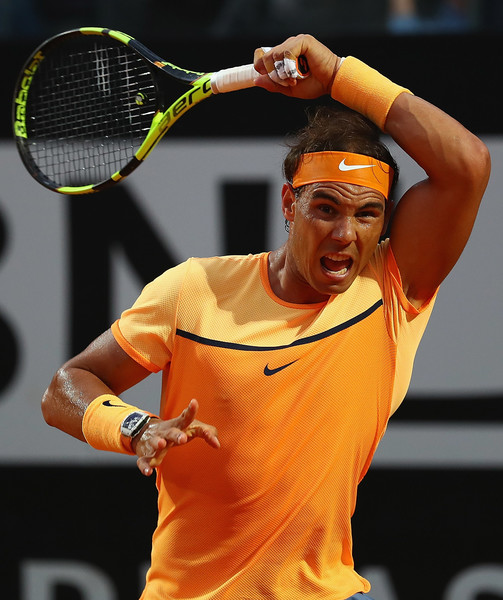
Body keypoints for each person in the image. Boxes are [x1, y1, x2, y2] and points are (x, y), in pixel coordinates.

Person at [41, 34, 490, 600]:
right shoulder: (192, 291)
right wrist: (135, 428)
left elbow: (468, 164)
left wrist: (340, 79)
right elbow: (64, 389)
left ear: (382, 223)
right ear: (288, 204)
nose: (344, 234)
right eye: (324, 207)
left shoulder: (392, 285)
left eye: (367, 214)